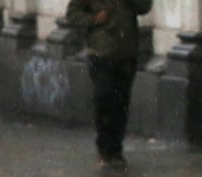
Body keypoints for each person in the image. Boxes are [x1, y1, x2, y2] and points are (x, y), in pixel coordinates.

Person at [64, 0, 153, 166]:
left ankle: (116, 150)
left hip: (126, 52)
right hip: (101, 53)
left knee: (121, 103)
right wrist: (94, 19)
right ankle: (104, 149)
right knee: (104, 97)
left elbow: (145, 7)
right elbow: (73, 14)